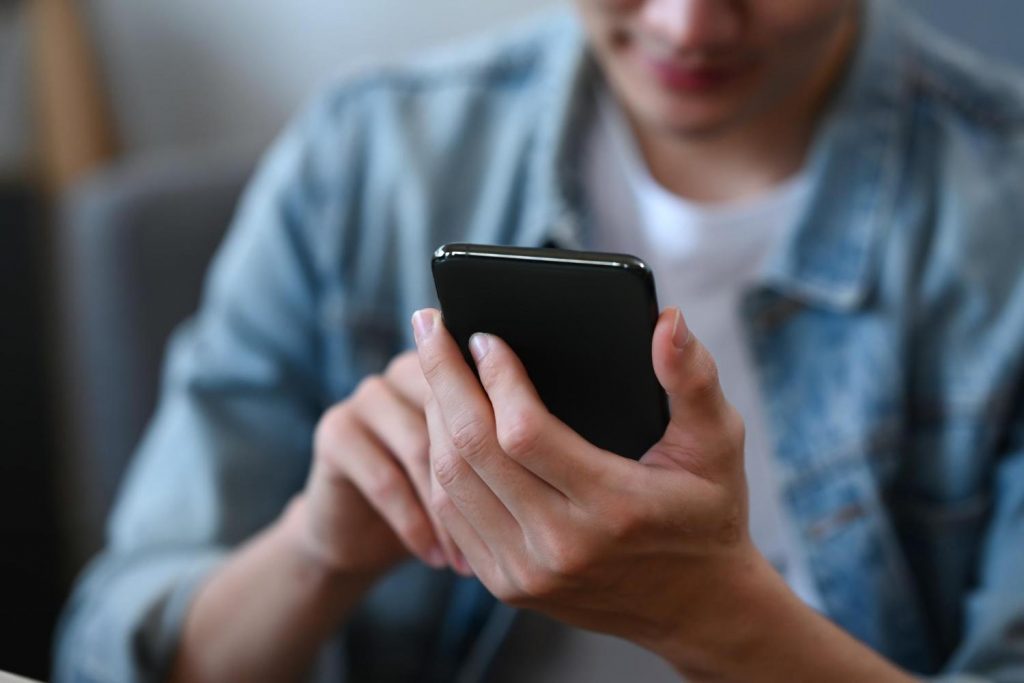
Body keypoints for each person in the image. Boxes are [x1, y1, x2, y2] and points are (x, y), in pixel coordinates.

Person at [56, 0, 1024, 681]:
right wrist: (319, 549)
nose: (686, 23)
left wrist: (712, 613)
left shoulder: (1001, 212)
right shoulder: (366, 157)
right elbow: (104, 650)